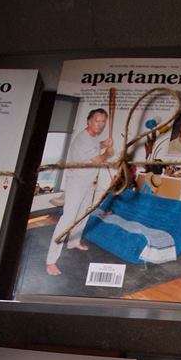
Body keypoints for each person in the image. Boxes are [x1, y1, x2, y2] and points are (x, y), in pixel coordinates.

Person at [46, 108, 114, 276]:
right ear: (89, 121)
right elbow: (98, 160)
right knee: (67, 219)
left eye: (103, 121)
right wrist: (107, 152)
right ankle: (51, 261)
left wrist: (103, 144)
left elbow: (94, 146)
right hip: (77, 183)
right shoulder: (83, 139)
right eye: (97, 121)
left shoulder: (93, 137)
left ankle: (73, 242)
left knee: (83, 214)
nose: (100, 125)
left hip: (88, 182)